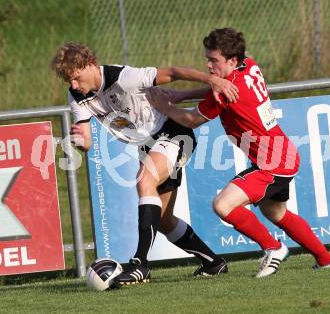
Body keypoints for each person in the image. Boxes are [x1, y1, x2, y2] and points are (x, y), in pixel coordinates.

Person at [149, 28, 330, 278]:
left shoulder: (228, 91)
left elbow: (191, 120)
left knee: (223, 204)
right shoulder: (249, 65)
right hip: (283, 155)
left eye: (214, 60)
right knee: (276, 212)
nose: (208, 65)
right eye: (207, 58)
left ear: (231, 60)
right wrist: (183, 94)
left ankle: (273, 248)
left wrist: (164, 105)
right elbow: (218, 87)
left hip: (271, 163)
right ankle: (327, 261)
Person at [51, 42, 238, 285]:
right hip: (148, 144)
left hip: (173, 133)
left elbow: (172, 72)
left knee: (144, 180)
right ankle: (213, 263)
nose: (74, 85)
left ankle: (140, 264)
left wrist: (212, 80)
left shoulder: (125, 77)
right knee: (162, 220)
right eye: (69, 81)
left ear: (89, 65)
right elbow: (86, 143)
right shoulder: (77, 95)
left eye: (76, 78)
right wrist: (79, 141)